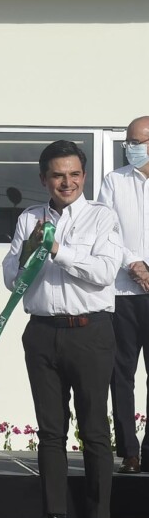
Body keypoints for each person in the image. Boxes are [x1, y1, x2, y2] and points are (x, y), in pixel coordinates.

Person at [2, 140, 121, 518]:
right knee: (51, 431)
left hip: (90, 331)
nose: (66, 182)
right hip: (42, 331)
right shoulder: (29, 219)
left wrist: (57, 249)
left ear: (83, 176)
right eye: (57, 175)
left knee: (94, 430)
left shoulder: (101, 218)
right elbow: (11, 278)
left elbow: (105, 272)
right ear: (43, 179)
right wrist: (30, 252)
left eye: (73, 174)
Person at [97, 115, 149, 474]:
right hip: (124, 291)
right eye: (128, 141)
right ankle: (129, 450)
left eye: (137, 141)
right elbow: (107, 230)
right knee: (122, 373)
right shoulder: (114, 181)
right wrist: (136, 264)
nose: (130, 147)